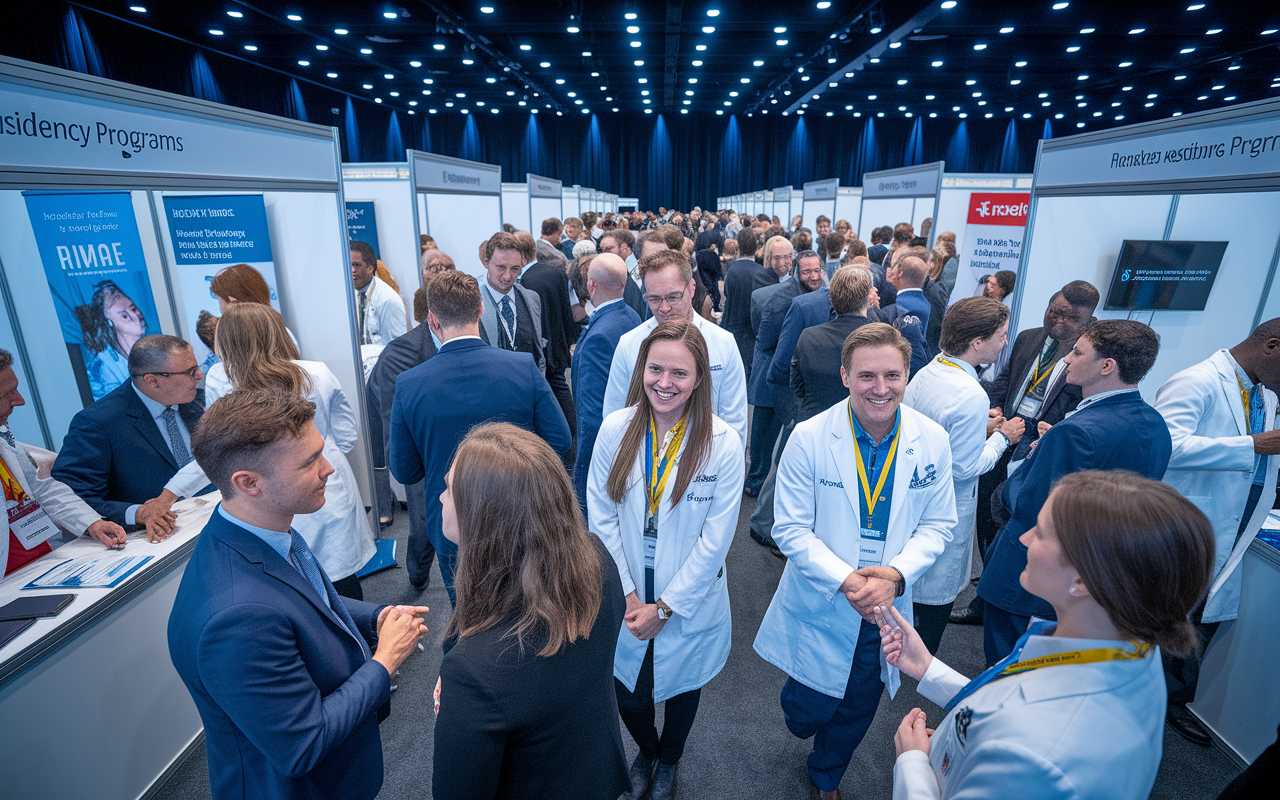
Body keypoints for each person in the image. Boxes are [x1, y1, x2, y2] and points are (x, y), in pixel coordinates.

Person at [881, 470, 1215, 800]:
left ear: (1083, 581)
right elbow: (1012, 703)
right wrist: (929, 668)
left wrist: (912, 765)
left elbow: (1022, 731)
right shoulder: (1132, 645)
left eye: (1040, 532)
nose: (1024, 539)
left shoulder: (1036, 755)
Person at [168, 389, 429, 800]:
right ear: (248, 483)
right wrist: (385, 660)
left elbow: (302, 601)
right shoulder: (236, 618)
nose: (329, 469)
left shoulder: (252, 535)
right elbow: (304, 744)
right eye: (310, 462)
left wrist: (374, 616)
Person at [754, 323, 956, 800]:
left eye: (892, 375)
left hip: (885, 604)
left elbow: (938, 525)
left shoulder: (932, 440)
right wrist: (848, 580)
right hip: (825, 594)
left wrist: (897, 575)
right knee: (808, 707)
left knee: (858, 705)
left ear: (909, 375)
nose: (880, 388)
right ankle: (806, 719)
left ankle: (827, 776)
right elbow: (790, 529)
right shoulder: (809, 437)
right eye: (867, 376)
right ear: (845, 375)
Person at [588, 321, 745, 800]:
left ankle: (670, 759)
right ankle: (649, 751)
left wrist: (666, 607)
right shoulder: (617, 429)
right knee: (628, 695)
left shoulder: (721, 442)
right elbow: (600, 515)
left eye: (679, 372)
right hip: (627, 591)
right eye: (655, 369)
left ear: (699, 379)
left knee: (681, 689)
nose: (665, 382)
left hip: (687, 597)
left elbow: (716, 541)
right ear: (641, 371)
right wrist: (632, 595)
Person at [433, 423, 628, 799]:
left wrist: (463, 700)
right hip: (593, 774)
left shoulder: (474, 670)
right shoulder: (597, 560)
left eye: (449, 489)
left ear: (485, 517)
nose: (441, 498)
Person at [978, 320, 1172, 664]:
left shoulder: (1075, 433)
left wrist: (1034, 459)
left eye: (1078, 352)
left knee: (1007, 670)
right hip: (1095, 579)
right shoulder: (1155, 425)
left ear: (1107, 366)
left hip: (1030, 578)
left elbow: (1029, 505)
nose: (1066, 359)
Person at [165, 303, 376, 599]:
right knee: (339, 578)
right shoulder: (316, 373)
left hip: (266, 496)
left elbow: (217, 450)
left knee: (288, 585)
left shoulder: (222, 381)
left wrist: (171, 491)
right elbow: (347, 435)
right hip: (327, 482)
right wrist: (317, 452)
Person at [390, 271, 571, 601]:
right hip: (519, 510)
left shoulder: (410, 384)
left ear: (432, 320)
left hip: (451, 523)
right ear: (480, 310)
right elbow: (560, 439)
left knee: (466, 614)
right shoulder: (522, 367)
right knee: (526, 604)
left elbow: (404, 470)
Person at [1154, 319, 1280, 745]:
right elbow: (1167, 444)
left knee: (1196, 615)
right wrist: (1254, 446)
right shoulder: (1196, 381)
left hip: (1233, 521)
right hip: (1188, 525)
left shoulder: (1261, 390)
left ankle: (1169, 700)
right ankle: (1144, 700)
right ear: (1272, 346)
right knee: (1165, 614)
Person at [952, 281, 1098, 628]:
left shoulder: (1087, 356)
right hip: (1004, 435)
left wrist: (1053, 431)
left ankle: (1002, 602)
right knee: (988, 516)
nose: (1059, 321)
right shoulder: (1028, 336)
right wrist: (993, 407)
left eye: (1070, 318)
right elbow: (1007, 378)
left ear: (1088, 321)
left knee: (1018, 527)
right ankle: (985, 596)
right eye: (1055, 310)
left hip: (1040, 448)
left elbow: (1083, 405)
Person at [902, 298, 1024, 654]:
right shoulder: (971, 394)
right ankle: (919, 661)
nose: (1005, 343)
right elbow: (964, 468)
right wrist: (1003, 437)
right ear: (977, 343)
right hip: (946, 504)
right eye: (1001, 336)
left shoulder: (929, 371)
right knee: (934, 592)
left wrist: (977, 430)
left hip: (916, 492)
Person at [52, 335, 206, 539]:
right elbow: (71, 497)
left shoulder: (199, 401)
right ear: (152, 380)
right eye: (189, 372)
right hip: (158, 540)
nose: (200, 375)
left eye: (196, 367)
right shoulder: (98, 422)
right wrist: (138, 513)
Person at [603, 248, 748, 447]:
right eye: (654, 299)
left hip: (705, 457)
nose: (664, 308)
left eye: (673, 297)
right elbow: (615, 414)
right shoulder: (630, 344)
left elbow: (735, 421)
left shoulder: (723, 343)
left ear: (692, 288)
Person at [0, 348, 127, 576]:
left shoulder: (4, 441)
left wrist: (92, 524)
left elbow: (42, 488)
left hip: (39, 561)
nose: (19, 401)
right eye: (6, 394)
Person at [747, 247, 822, 497]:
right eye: (807, 271)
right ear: (795, 272)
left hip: (791, 376)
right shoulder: (782, 300)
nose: (813, 276)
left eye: (817, 270)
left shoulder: (817, 293)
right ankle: (755, 484)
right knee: (763, 436)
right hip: (774, 376)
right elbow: (766, 340)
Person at [572, 254, 642, 509]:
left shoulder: (598, 338)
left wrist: (583, 474)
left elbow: (592, 413)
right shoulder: (632, 316)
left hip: (604, 452)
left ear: (591, 285)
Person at [521, 237, 581, 472]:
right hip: (558, 346)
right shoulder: (553, 273)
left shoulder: (526, 281)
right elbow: (567, 311)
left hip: (543, 352)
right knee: (562, 395)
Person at [791, 266, 876, 423]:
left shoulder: (808, 337)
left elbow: (797, 385)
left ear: (832, 297)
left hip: (815, 422)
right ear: (867, 297)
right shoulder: (882, 340)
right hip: (862, 427)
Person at [478, 232, 548, 374]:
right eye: (501, 267)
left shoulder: (532, 298)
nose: (508, 276)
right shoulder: (471, 301)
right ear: (486, 263)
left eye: (515, 269)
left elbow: (538, 350)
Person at [75, 279, 146, 400]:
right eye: (124, 315)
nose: (135, 317)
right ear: (107, 318)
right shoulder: (106, 366)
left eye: (133, 309)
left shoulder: (155, 351)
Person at [721, 228, 772, 372]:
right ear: (757, 247)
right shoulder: (762, 273)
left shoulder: (732, 271)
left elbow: (727, 296)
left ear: (737, 246)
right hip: (752, 336)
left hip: (732, 330)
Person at [351, 240, 407, 348]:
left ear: (370, 268)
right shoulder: (350, 293)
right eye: (349, 264)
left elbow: (397, 346)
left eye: (357, 265)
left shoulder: (387, 299)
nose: (352, 270)